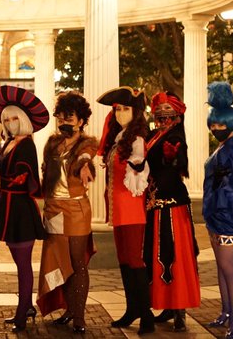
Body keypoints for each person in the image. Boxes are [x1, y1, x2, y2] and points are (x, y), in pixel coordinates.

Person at [0, 85, 49, 333]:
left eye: (14, 118)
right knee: (18, 261)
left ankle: (22, 313)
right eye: (6, 119)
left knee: (23, 264)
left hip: (21, 209)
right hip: (7, 205)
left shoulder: (26, 145)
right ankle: (27, 307)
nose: (10, 123)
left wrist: (16, 179)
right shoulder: (8, 143)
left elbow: (26, 177)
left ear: (23, 119)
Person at [38, 91, 98, 334]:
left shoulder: (87, 143)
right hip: (53, 208)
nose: (64, 122)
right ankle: (68, 309)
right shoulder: (52, 143)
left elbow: (86, 156)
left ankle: (79, 316)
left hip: (75, 209)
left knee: (77, 262)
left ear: (81, 120)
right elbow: (46, 174)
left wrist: (84, 165)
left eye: (69, 118)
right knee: (59, 261)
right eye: (60, 118)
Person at [97, 86, 153, 335]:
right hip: (118, 209)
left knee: (134, 260)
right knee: (124, 260)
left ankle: (146, 315)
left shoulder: (136, 140)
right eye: (117, 109)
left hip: (131, 209)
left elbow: (138, 173)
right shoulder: (119, 138)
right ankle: (133, 309)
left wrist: (137, 166)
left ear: (136, 112)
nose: (120, 113)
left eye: (125, 109)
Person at [144, 91, 200, 332]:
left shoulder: (177, 135)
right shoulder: (152, 135)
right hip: (154, 203)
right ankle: (167, 305)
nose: (163, 116)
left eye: (168, 111)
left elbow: (181, 164)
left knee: (175, 255)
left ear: (177, 114)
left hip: (173, 204)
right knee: (157, 255)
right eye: (159, 111)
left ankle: (180, 310)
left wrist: (172, 159)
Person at [203, 81, 233, 339]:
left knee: (229, 268)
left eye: (221, 124)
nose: (216, 128)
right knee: (221, 267)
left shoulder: (231, 149)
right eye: (213, 124)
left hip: (227, 215)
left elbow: (229, 183)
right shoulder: (222, 147)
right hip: (214, 214)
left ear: (231, 123)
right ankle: (226, 313)